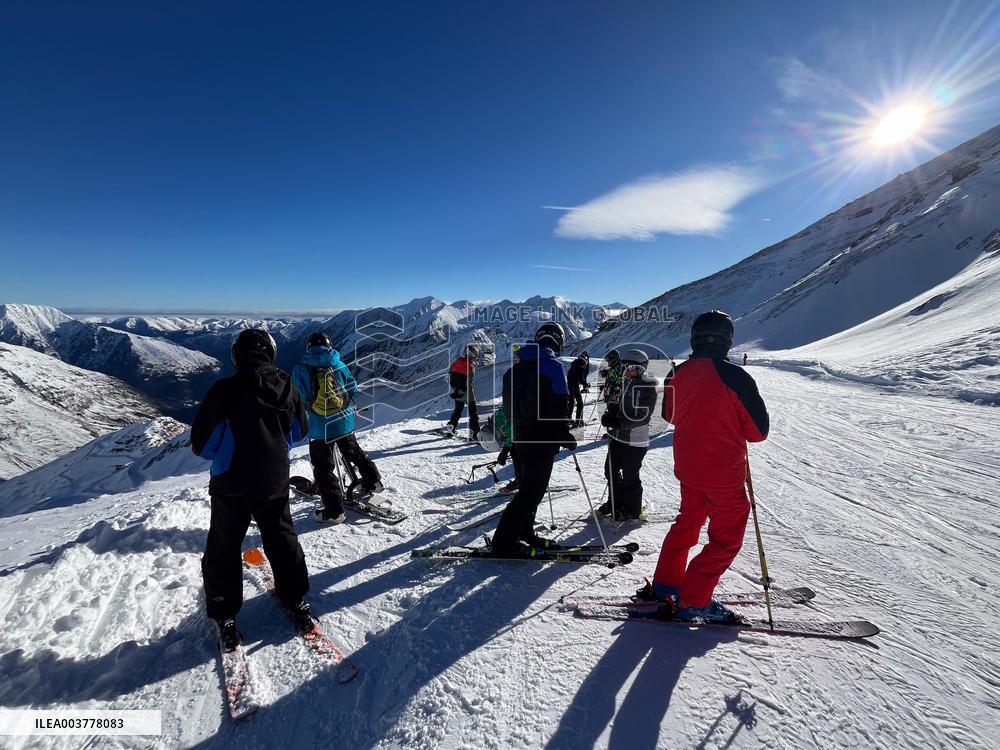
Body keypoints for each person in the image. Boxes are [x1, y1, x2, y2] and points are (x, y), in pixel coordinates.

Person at [643, 310, 769, 622]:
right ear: (727, 340)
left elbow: (670, 416)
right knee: (725, 539)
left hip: (689, 468)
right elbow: (758, 432)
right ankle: (695, 599)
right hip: (723, 473)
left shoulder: (677, 373)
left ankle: (666, 584)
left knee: (687, 522)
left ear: (695, 338)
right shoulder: (735, 377)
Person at [191, 329, 313, 650]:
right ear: (270, 354)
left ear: (236, 356)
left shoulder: (223, 391)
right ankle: (296, 598)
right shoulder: (287, 386)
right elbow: (301, 429)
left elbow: (202, 446)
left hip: (230, 482)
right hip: (273, 478)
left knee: (224, 545)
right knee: (281, 535)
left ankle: (225, 612)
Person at [491, 322, 577, 554]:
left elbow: (508, 409)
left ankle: (524, 531)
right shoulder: (553, 367)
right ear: (558, 341)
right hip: (542, 441)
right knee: (531, 493)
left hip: (520, 438)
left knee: (529, 489)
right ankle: (503, 542)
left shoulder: (513, 370)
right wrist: (564, 435)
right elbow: (559, 408)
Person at [292, 332, 383, 524]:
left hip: (320, 427)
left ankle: (334, 512)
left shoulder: (301, 368)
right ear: (329, 345)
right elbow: (353, 390)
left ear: (309, 347)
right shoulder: (338, 363)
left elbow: (297, 398)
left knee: (323, 468)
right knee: (354, 452)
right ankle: (373, 482)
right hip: (344, 422)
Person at [597, 349, 657, 521]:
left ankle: (631, 510)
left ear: (641, 368)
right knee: (610, 471)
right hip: (617, 436)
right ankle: (615, 503)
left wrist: (619, 423)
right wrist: (612, 413)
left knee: (630, 476)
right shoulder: (625, 383)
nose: (626, 370)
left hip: (635, 439)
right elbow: (620, 405)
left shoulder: (647, 387)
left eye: (630, 367)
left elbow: (642, 417)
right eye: (624, 366)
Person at [443, 344, 481, 439]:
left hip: (457, 393)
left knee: (457, 411)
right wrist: (461, 391)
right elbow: (469, 382)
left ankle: (451, 428)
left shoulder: (456, 362)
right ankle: (474, 433)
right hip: (468, 394)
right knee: (473, 413)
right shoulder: (471, 366)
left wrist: (456, 390)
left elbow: (451, 378)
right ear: (474, 354)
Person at [566, 351, 591, 427]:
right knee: (580, 403)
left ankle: (568, 418)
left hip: (569, 384)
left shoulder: (574, 364)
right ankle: (578, 421)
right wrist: (586, 385)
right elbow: (580, 378)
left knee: (571, 402)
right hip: (574, 385)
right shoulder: (581, 365)